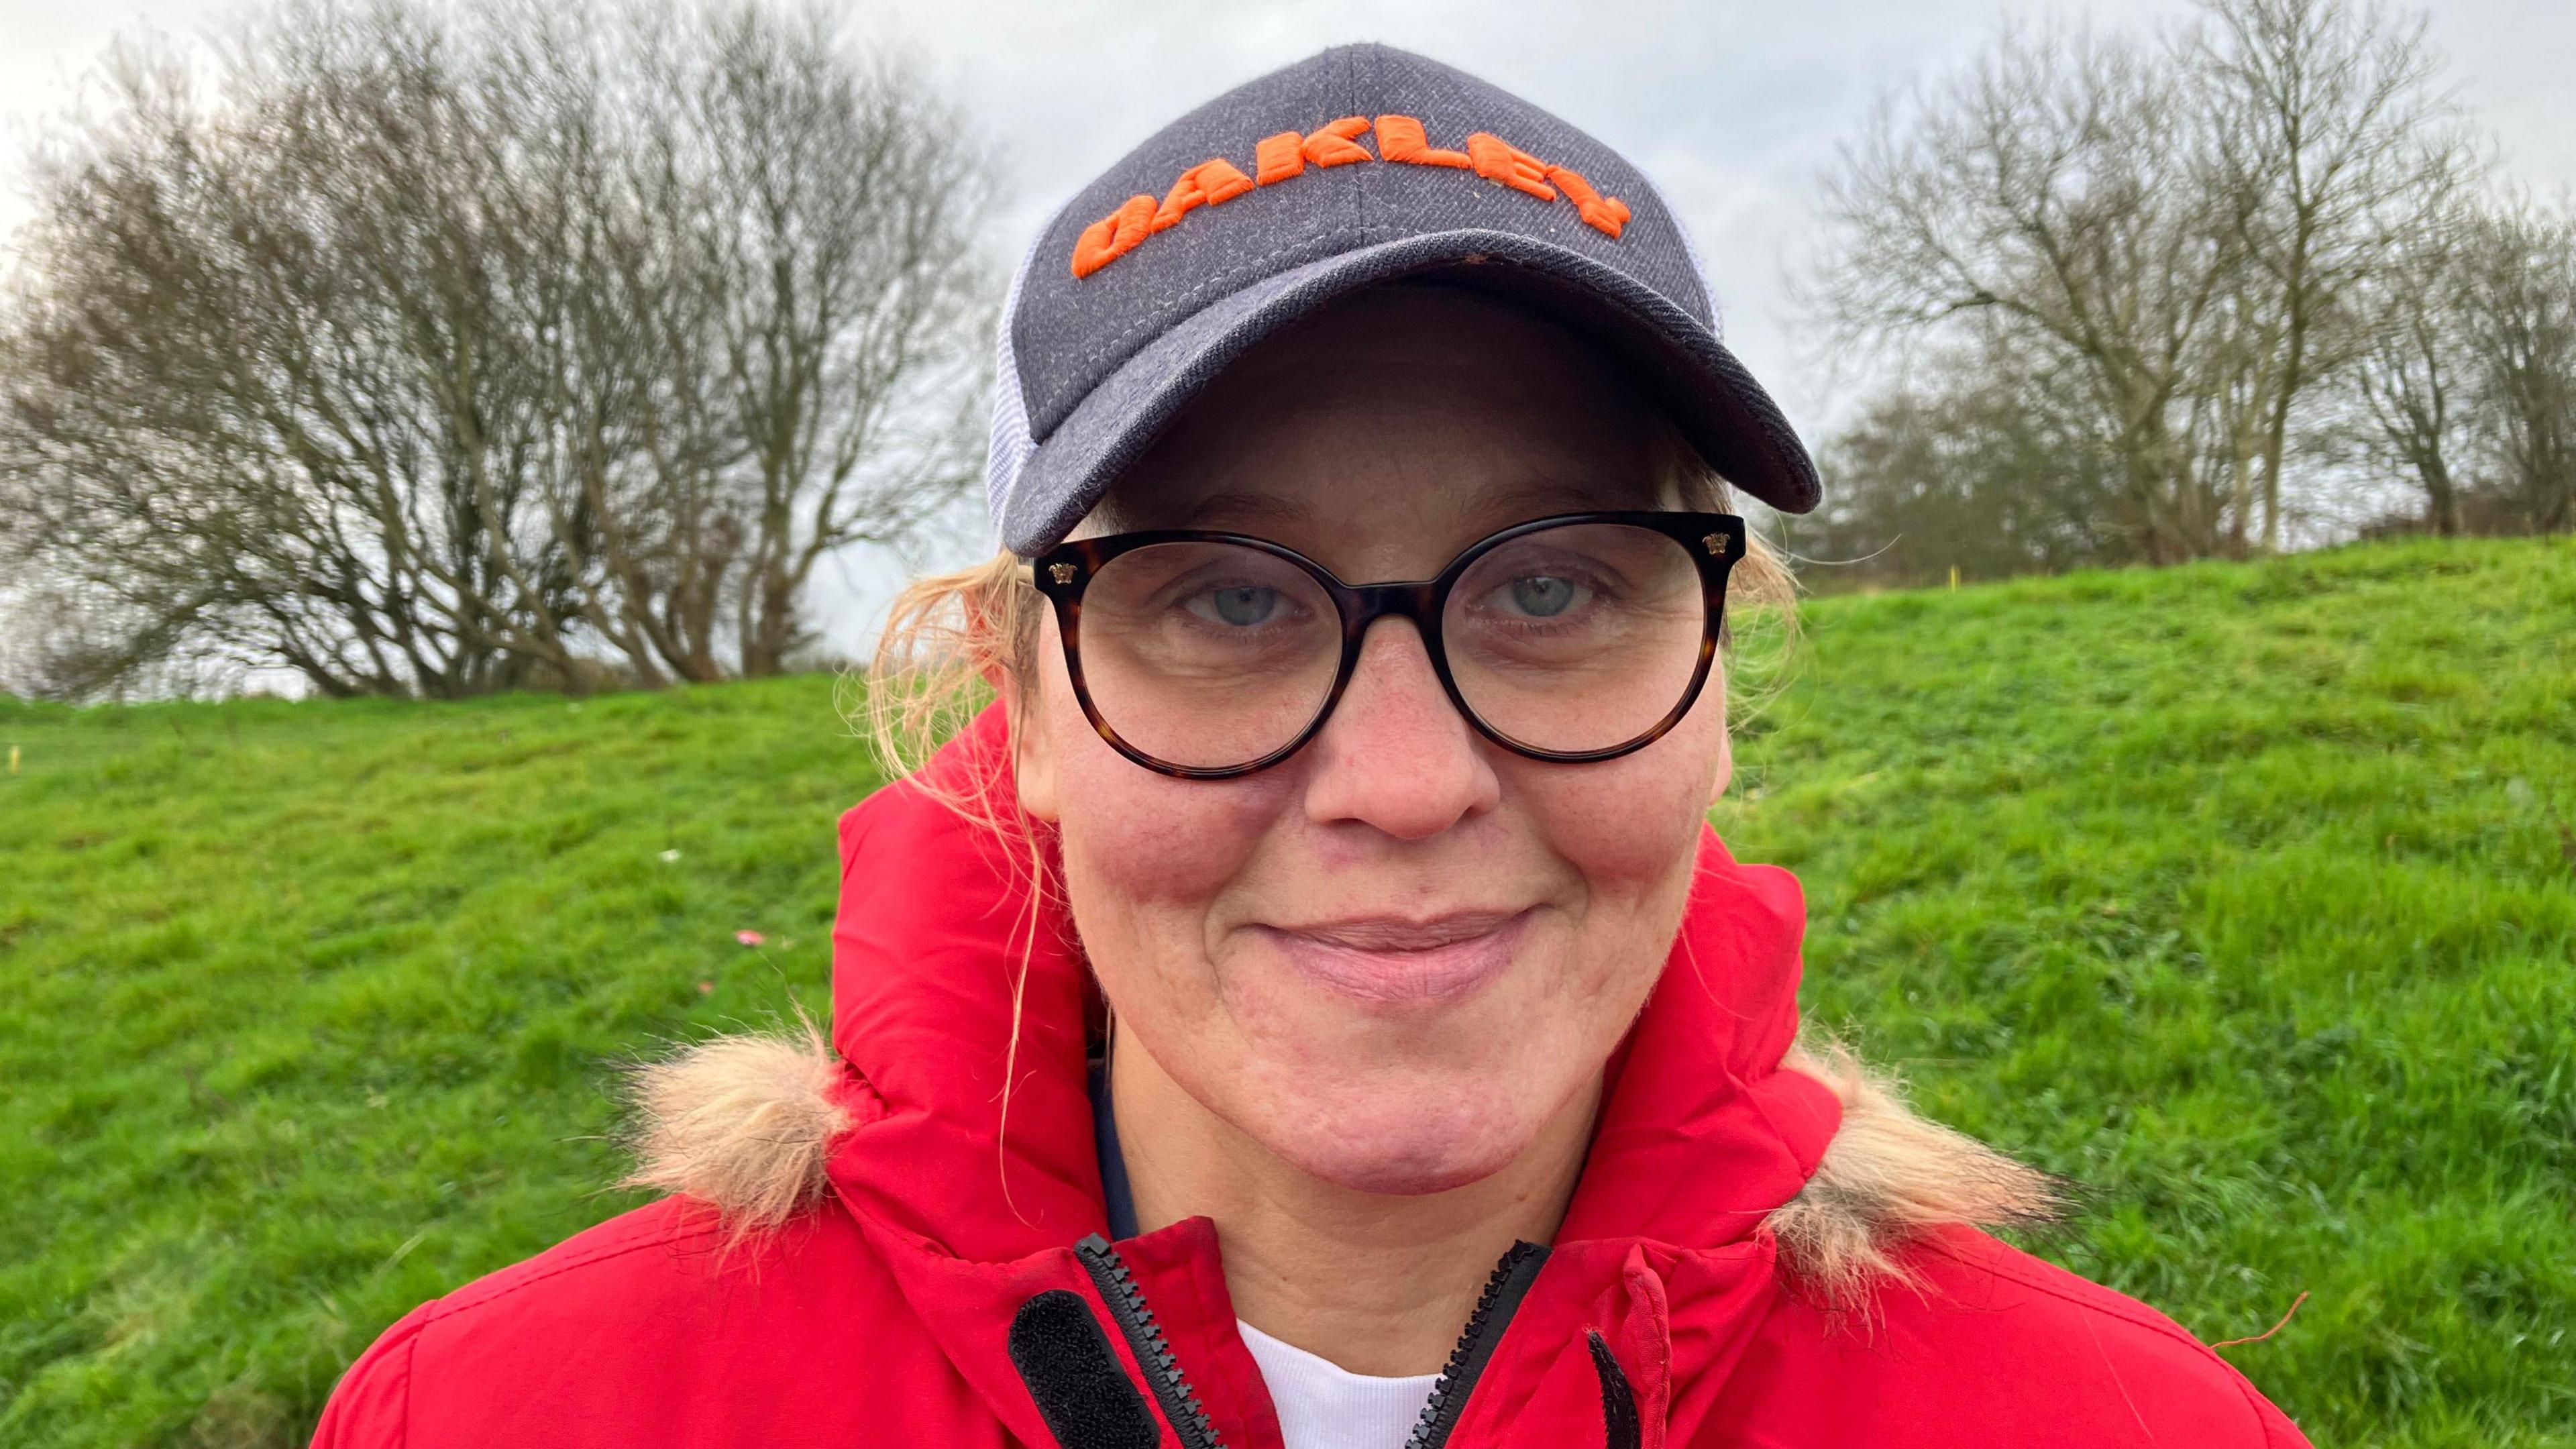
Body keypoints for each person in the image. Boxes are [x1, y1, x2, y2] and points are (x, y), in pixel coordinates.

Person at [314, 44, 2310, 1449]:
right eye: (1227, 599)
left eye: (1550, 589)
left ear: (1714, 668)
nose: (1405, 783)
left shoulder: (2128, 1426)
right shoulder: (499, 1414)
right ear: (1019, 714)